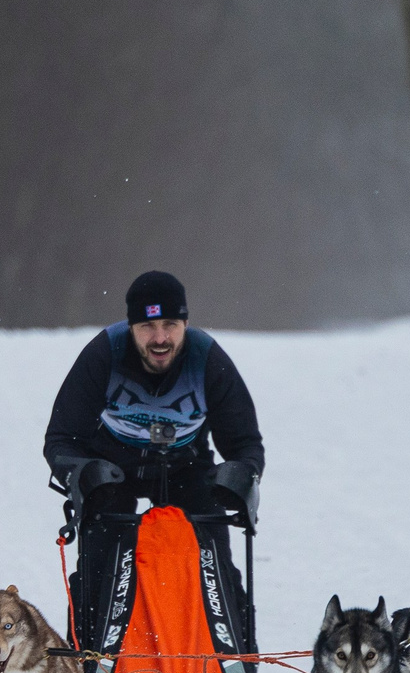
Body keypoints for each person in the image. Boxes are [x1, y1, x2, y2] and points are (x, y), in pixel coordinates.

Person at [43, 269, 264, 651]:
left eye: (170, 325)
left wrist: (240, 480)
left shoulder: (207, 359)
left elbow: (245, 444)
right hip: (113, 465)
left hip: (186, 464)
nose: (160, 338)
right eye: (147, 326)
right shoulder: (103, 354)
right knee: (98, 569)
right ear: (131, 327)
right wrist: (81, 474)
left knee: (218, 570)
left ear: (185, 324)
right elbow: (61, 439)